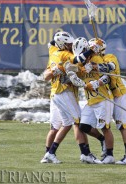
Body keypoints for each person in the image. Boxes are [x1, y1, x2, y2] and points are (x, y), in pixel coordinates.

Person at [40, 32, 101, 164]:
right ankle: (85, 154)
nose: (70, 45)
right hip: (63, 92)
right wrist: (91, 50)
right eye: (68, 43)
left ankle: (51, 153)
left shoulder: (54, 50)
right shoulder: (65, 54)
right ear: (62, 44)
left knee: (68, 123)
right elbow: (77, 60)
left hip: (58, 92)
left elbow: (50, 43)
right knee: (78, 121)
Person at [65, 37, 115, 164]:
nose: (82, 58)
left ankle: (110, 155)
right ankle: (102, 140)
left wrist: (96, 82)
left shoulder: (97, 59)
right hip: (90, 101)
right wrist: (74, 72)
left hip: (103, 99)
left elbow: (108, 76)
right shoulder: (80, 64)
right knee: (84, 126)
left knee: (105, 127)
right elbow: (69, 70)